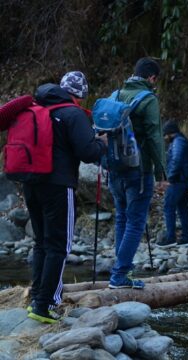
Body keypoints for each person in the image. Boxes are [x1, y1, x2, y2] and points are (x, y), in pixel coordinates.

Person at [25, 71, 108, 323]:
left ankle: (36, 298)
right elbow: (88, 152)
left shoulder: (37, 108)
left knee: (41, 242)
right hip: (59, 186)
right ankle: (45, 305)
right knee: (58, 246)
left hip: (31, 183)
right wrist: (102, 142)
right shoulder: (72, 114)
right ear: (80, 96)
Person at [108, 57, 167, 289]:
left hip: (115, 168)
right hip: (139, 170)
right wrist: (162, 172)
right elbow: (154, 136)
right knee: (135, 221)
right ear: (152, 78)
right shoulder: (148, 99)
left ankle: (119, 273)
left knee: (122, 217)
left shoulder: (116, 95)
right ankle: (120, 275)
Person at [158, 120, 188, 246]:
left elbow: (176, 161)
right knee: (182, 208)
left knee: (169, 207)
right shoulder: (182, 141)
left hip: (177, 181)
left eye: (165, 134)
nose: (164, 137)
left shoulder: (178, 143)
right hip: (184, 180)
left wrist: (170, 179)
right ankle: (186, 237)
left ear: (170, 133)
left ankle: (171, 238)